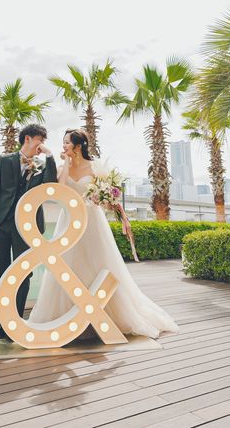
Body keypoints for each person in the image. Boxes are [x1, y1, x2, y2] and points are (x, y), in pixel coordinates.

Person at [29, 128, 179, 338]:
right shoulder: (62, 167)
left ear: (78, 146)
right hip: (69, 220)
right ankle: (67, 318)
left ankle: (105, 316)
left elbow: (110, 197)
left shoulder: (95, 167)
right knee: (67, 265)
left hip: (91, 220)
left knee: (97, 264)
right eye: (63, 142)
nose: (63, 145)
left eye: (67, 142)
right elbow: (61, 189)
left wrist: (118, 212)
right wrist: (66, 164)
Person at [0, 123, 57, 339]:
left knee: (24, 273)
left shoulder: (42, 166)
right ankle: (4, 321)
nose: (42, 144)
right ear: (28, 139)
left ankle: (15, 322)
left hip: (28, 228)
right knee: (2, 271)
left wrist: (50, 156)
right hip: (1, 224)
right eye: (40, 140)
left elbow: (50, 186)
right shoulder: (4, 160)